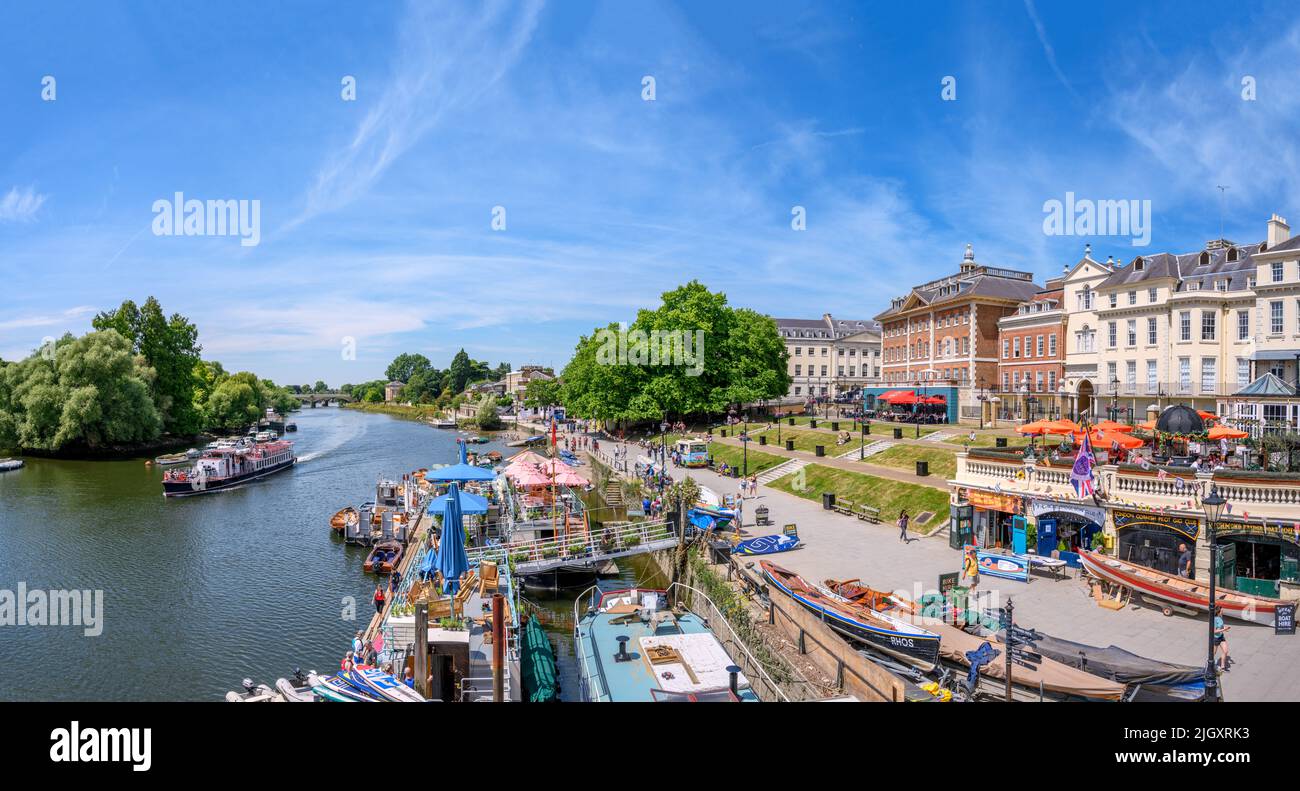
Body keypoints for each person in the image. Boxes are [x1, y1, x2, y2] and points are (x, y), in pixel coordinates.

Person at [1214, 605, 1231, 671]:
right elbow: (1214, 631)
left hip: (1221, 637)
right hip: (1216, 638)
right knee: (1213, 653)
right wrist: (1223, 630)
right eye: (1222, 611)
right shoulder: (1215, 619)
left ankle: (1222, 667)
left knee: (1225, 651)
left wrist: (1225, 629)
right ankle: (1209, 664)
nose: (1223, 611)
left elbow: (1221, 626)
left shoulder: (1220, 617)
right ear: (1218, 612)